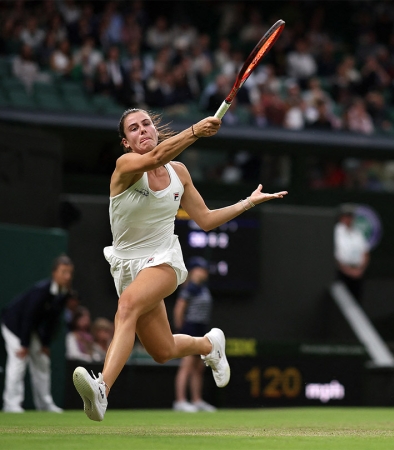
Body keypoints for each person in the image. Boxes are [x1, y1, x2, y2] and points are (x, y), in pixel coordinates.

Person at [72, 109, 287, 422]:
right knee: (162, 351)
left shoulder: (179, 173)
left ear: (155, 129)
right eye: (134, 128)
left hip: (163, 260)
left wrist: (248, 202)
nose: (143, 130)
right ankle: (209, 345)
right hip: (127, 267)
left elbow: (206, 220)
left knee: (127, 306)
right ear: (126, 142)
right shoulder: (126, 165)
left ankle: (102, 388)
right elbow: (156, 157)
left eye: (146, 124)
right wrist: (196, 131)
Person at [1, 255, 74, 413]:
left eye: (69, 273)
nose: (67, 276)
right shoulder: (41, 290)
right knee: (18, 360)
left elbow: (53, 321)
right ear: (54, 273)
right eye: (63, 272)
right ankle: (11, 404)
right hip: (14, 325)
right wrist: (24, 345)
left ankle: (44, 404)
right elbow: (27, 317)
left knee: (42, 361)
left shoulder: (64, 293)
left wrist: (45, 344)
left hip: (31, 329)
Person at [172, 257, 216, 413]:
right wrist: (182, 330)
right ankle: (180, 401)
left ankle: (197, 400)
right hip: (190, 328)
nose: (204, 272)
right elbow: (179, 309)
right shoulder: (190, 288)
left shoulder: (202, 288)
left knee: (199, 367)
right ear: (193, 271)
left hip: (201, 328)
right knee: (187, 365)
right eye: (200, 269)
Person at [334, 204, 370, 303]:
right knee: (342, 302)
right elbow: (333, 256)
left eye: (351, 216)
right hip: (341, 274)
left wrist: (359, 270)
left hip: (357, 273)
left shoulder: (357, 233)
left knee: (356, 301)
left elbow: (365, 253)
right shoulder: (335, 232)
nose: (349, 219)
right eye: (347, 216)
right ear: (341, 217)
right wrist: (347, 271)